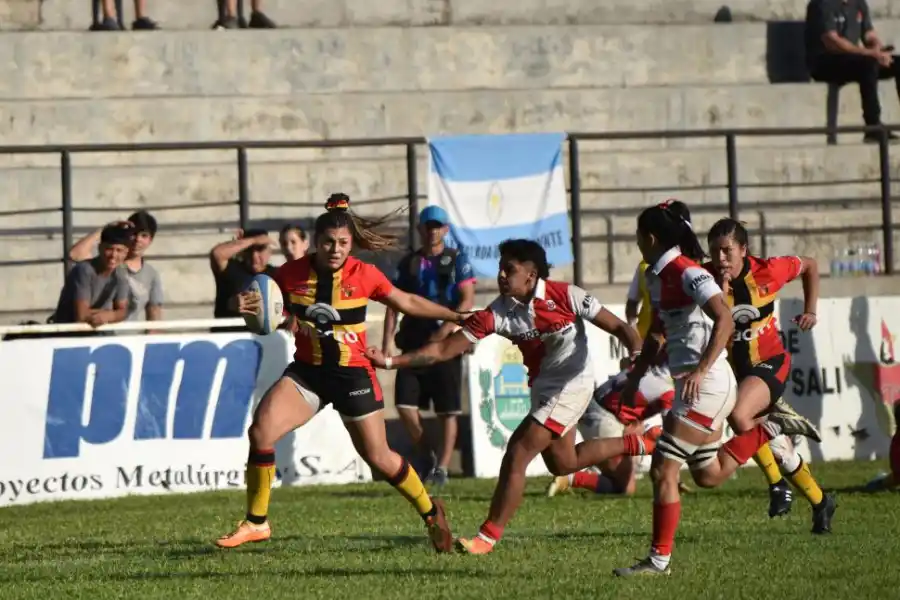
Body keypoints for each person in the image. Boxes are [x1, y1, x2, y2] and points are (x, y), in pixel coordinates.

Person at [366, 239, 654, 555]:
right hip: (544, 387)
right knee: (563, 462)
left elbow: (619, 327)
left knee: (518, 453)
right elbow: (443, 350)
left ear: (531, 276)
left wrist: (637, 355)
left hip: (573, 383)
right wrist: (391, 362)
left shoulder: (567, 295)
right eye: (501, 268)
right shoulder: (499, 313)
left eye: (509, 269)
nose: (501, 275)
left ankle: (486, 538)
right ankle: (642, 443)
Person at [216, 193, 465, 553]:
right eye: (329, 242)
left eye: (343, 243)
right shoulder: (290, 274)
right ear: (316, 242)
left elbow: (406, 301)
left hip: (353, 376)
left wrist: (456, 316)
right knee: (261, 431)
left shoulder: (365, 274)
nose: (336, 249)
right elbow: (256, 307)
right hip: (309, 373)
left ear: (352, 244)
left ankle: (430, 512)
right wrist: (241, 304)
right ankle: (257, 522)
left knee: (379, 457)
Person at [613, 202, 806, 577]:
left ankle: (658, 561)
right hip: (697, 384)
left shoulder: (687, 273)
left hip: (707, 385)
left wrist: (701, 369)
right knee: (708, 474)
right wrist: (634, 378)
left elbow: (725, 320)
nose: (636, 241)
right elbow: (656, 333)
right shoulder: (657, 274)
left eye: (637, 235)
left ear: (649, 238)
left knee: (663, 469)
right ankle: (771, 427)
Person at [705, 218, 836, 527]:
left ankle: (777, 486)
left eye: (727, 251)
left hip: (770, 363)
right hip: (736, 373)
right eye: (714, 252)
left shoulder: (769, 270)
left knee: (739, 416)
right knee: (776, 448)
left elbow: (810, 265)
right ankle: (821, 501)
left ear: (743, 250)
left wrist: (811, 310)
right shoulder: (705, 278)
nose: (721, 259)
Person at [383, 205, 476, 487]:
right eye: (428, 226)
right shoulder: (409, 263)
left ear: (445, 229)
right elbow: (393, 303)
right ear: (420, 229)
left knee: (448, 409)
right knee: (404, 404)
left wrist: (446, 330)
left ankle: (443, 468)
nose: (433, 231)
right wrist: (387, 340)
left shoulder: (458, 260)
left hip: (446, 343)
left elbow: (467, 300)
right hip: (414, 340)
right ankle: (427, 456)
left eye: (438, 226)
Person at [547, 359, 673, 497]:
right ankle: (570, 477)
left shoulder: (651, 364)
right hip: (604, 417)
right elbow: (673, 436)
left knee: (624, 471)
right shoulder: (669, 388)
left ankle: (578, 475)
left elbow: (625, 364)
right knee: (625, 487)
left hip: (597, 410)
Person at [805, 0, 900, 143]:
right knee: (868, 64)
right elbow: (832, 41)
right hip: (825, 62)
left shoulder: (858, 3)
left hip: (853, 59)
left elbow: (869, 34)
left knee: (897, 63)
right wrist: (868, 53)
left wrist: (878, 49)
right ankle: (872, 126)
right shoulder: (821, 4)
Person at [69, 211, 164, 323]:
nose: (137, 239)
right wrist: (107, 229)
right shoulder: (108, 259)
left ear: (150, 240)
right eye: (134, 234)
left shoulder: (151, 274)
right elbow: (75, 254)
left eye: (144, 235)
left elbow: (154, 315)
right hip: (99, 333)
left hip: (129, 337)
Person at [51, 223, 132, 328]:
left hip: (98, 333)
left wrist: (110, 315)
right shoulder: (84, 270)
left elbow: (123, 311)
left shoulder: (121, 273)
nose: (113, 255)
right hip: (68, 333)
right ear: (100, 248)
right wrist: (110, 314)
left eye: (119, 250)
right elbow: (81, 316)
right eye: (109, 249)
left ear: (126, 253)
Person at [209, 227, 278, 331]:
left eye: (260, 249)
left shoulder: (277, 275)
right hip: (229, 339)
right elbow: (216, 254)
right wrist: (254, 240)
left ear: (270, 251)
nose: (254, 256)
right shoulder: (231, 268)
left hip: (263, 341)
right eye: (249, 250)